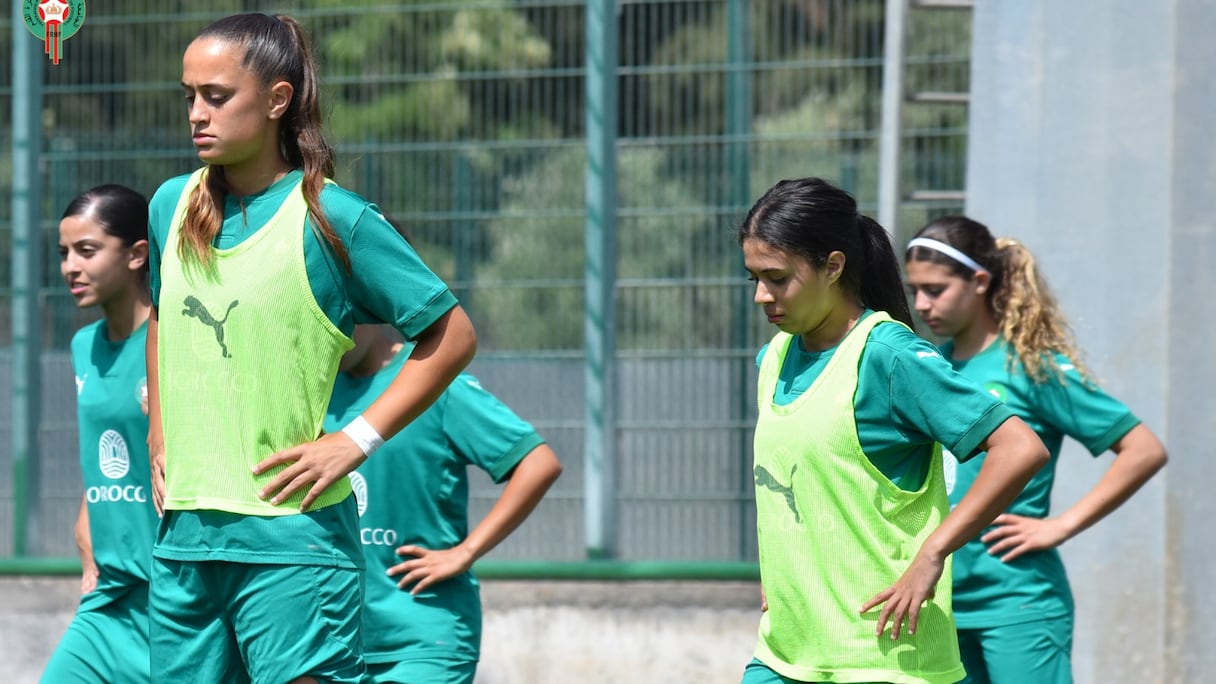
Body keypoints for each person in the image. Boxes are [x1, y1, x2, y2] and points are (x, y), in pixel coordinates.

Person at [144, 12, 476, 683]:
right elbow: (162, 316)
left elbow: (453, 335)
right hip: (184, 543)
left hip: (293, 546)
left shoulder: (333, 217)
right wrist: (158, 432)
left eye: (217, 96)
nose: (197, 114)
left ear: (276, 99)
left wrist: (354, 440)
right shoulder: (169, 207)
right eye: (189, 96)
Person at [737, 177, 1050, 684]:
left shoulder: (890, 356)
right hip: (785, 654)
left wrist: (933, 554)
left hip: (882, 656)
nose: (761, 295)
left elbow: (1020, 448)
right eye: (752, 277)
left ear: (833, 267)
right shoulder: (772, 359)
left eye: (776, 278)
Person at [904, 216, 1167, 684]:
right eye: (915, 290)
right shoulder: (930, 367)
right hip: (937, 606)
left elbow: (1143, 450)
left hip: (1017, 604)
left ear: (979, 282)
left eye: (936, 289)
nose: (922, 304)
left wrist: (1059, 526)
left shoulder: (1032, 367)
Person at [326, 324, 562, 684]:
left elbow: (538, 463)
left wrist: (465, 552)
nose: (326, 331)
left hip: (423, 638)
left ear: (368, 306)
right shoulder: (314, 389)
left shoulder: (432, 379)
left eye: (335, 315)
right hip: (333, 642)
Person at [42, 185, 157, 684]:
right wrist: (86, 516)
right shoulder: (83, 345)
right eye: (64, 253)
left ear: (136, 255)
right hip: (108, 597)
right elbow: (109, 448)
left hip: (175, 598)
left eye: (87, 251)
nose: (71, 266)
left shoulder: (177, 340)